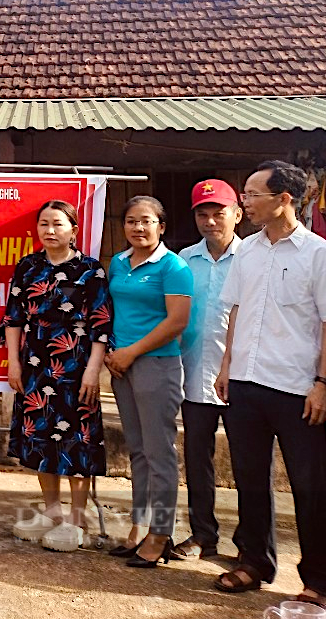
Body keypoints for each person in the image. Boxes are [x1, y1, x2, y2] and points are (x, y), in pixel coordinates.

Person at [213, 160, 326, 608]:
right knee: (250, 480)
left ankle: (319, 581)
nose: (244, 202)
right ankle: (254, 562)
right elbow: (235, 311)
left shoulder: (322, 255)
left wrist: (323, 383)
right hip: (246, 383)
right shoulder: (246, 250)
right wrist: (226, 365)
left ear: (283, 199)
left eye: (251, 195)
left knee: (310, 486)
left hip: (297, 388)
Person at [1, 200, 112, 551]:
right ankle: (51, 512)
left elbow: (101, 324)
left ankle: (77, 521)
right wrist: (13, 363)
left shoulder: (90, 270)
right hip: (34, 365)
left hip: (77, 367)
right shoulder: (28, 267)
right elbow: (14, 318)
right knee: (39, 437)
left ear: (74, 230)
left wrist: (94, 370)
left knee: (76, 440)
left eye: (58, 224)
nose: (50, 231)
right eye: (44, 224)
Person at [105, 195, 192, 568]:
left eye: (146, 221)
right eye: (130, 221)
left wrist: (131, 351)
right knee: (137, 450)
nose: (138, 228)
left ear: (161, 226)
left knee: (159, 454)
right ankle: (139, 526)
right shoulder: (118, 263)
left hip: (156, 366)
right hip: (122, 366)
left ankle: (161, 532)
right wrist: (114, 354)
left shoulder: (173, 267)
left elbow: (177, 322)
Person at [174, 179, 243, 559]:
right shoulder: (185, 259)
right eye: (203, 213)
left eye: (219, 212)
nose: (211, 220)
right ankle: (203, 535)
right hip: (194, 373)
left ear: (237, 214)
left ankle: (249, 545)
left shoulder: (252, 258)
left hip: (243, 379)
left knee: (248, 464)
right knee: (197, 461)